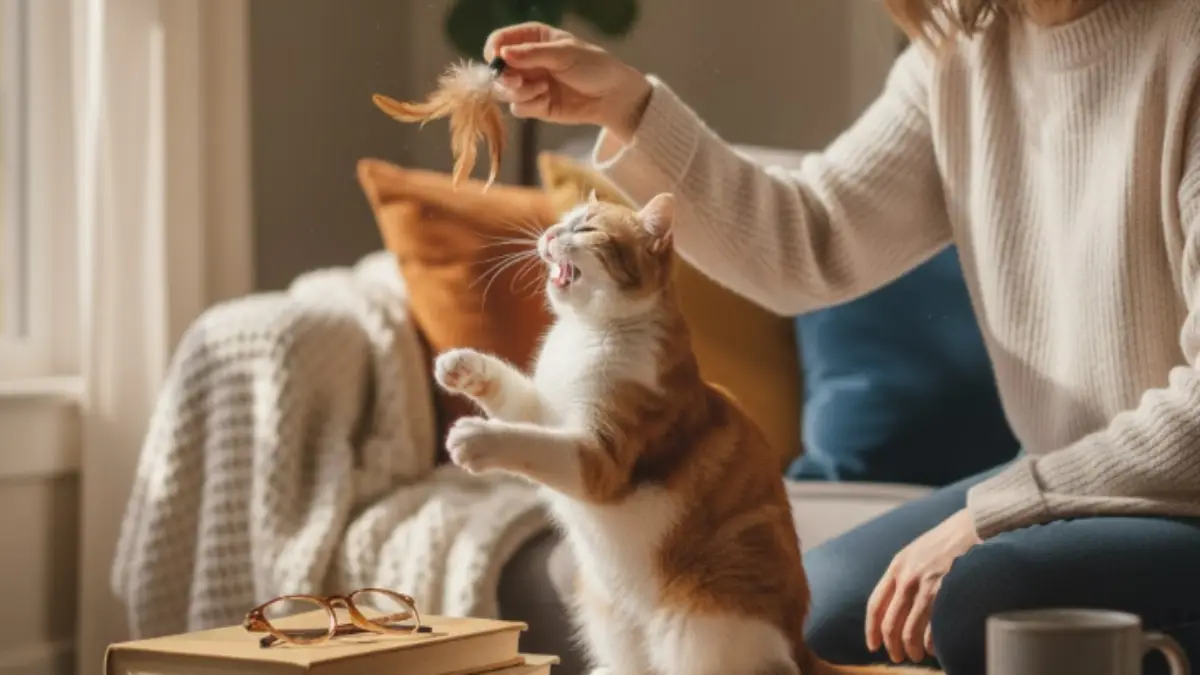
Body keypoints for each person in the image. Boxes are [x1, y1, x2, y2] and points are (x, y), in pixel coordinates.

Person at [482, 1, 1200, 674]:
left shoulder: (1186, 46)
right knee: (801, 618)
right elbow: (810, 239)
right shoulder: (960, 50)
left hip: (1179, 494)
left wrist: (996, 513)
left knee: (980, 597)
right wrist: (628, 106)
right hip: (1058, 477)